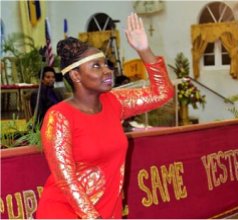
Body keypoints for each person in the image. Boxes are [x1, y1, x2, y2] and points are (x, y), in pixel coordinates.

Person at [36, 13, 174, 219]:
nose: (107, 71)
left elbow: (162, 93)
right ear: (75, 76)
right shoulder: (59, 117)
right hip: (66, 212)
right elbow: (66, 180)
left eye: (106, 64)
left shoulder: (114, 102)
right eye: (96, 66)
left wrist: (143, 49)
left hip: (108, 209)